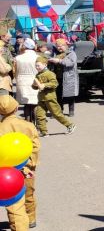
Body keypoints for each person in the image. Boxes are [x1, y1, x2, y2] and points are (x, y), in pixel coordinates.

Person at [0, 95, 41, 230]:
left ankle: (20, 226)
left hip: (7, 173)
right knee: (29, 194)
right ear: (16, 108)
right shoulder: (28, 125)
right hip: (27, 168)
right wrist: (30, 164)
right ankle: (31, 219)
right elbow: (35, 147)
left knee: (15, 203)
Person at [33, 56, 76, 137]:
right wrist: (34, 85)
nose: (37, 67)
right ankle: (44, 132)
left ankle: (70, 125)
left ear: (45, 65)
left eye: (38, 65)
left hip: (50, 98)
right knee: (39, 115)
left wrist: (44, 85)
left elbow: (55, 83)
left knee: (57, 114)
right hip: (41, 98)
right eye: (36, 65)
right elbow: (35, 86)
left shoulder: (50, 73)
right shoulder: (37, 75)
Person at [48, 39, 79, 117]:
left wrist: (58, 61)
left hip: (69, 77)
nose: (59, 48)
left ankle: (71, 111)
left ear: (65, 46)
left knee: (70, 95)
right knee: (58, 95)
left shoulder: (71, 53)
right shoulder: (54, 53)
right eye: (57, 46)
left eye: (61, 46)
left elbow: (70, 63)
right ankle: (59, 111)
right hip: (57, 77)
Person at [13, 39, 39, 123]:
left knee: (26, 104)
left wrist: (17, 78)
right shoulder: (38, 57)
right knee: (35, 103)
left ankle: (28, 123)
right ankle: (37, 124)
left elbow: (14, 71)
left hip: (22, 81)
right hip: (35, 81)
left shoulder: (18, 58)